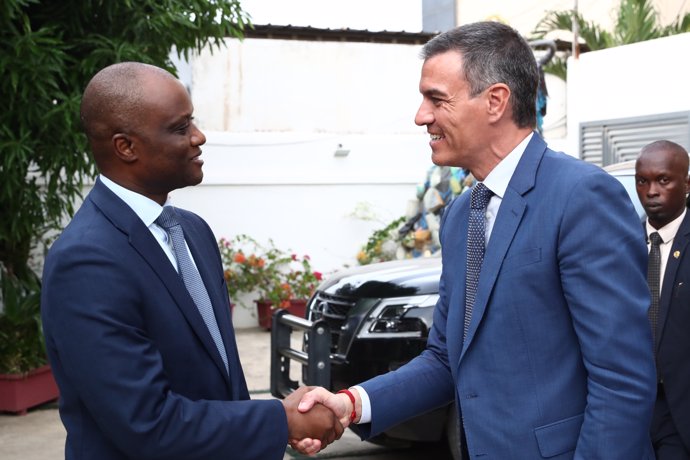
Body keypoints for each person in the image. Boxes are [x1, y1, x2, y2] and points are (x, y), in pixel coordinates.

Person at [296, 21, 656, 458]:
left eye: (436, 99)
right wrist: (351, 404)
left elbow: (621, 381)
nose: (420, 115)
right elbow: (446, 359)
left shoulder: (582, 198)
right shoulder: (462, 214)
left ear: (496, 101)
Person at [40, 62, 342, 460]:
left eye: (192, 122)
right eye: (180, 128)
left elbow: (220, 378)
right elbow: (146, 422)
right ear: (125, 146)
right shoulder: (87, 261)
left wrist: (259, 430)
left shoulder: (192, 231)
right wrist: (280, 420)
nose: (198, 137)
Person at [635, 140, 690, 459]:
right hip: (631, 409)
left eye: (663, 180)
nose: (651, 191)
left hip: (679, 412)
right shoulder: (619, 241)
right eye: (643, 181)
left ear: (686, 183)